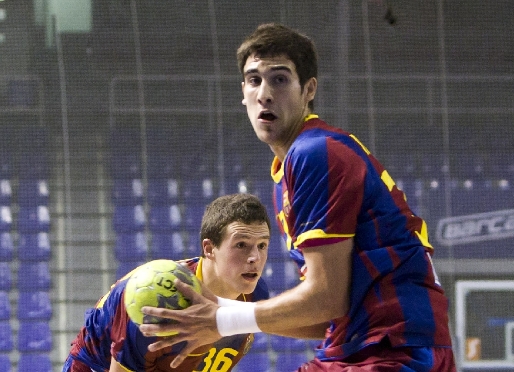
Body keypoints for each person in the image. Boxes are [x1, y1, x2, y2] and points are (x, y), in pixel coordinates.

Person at [139, 23, 457, 371]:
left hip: (390, 350)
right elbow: (323, 319)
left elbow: (325, 299)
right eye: (254, 80)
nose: (265, 93)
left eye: (279, 79)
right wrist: (219, 308)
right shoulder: (294, 165)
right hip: (374, 346)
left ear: (309, 90)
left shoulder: (314, 153)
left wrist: (220, 320)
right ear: (243, 93)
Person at [63, 193, 271, 372]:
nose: (255, 258)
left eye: (262, 245)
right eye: (241, 245)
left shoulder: (255, 295)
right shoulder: (155, 299)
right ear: (209, 249)